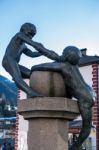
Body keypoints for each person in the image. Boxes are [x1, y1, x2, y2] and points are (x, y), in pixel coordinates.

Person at [31, 45, 95, 150]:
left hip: (85, 97)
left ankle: (75, 146)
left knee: (86, 126)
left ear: (66, 56)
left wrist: (33, 68)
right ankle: (76, 146)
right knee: (87, 125)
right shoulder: (75, 66)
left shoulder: (64, 66)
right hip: (90, 93)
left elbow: (44, 66)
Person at [2, 23, 43, 97]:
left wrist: (41, 52)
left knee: (31, 74)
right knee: (18, 77)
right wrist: (38, 46)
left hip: (15, 63)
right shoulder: (19, 35)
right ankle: (30, 92)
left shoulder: (23, 45)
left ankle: (26, 88)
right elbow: (31, 42)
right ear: (23, 30)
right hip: (8, 60)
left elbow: (31, 54)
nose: (30, 37)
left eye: (32, 35)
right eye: (30, 34)